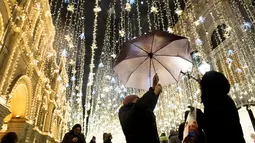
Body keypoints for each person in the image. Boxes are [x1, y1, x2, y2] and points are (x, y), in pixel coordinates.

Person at [200, 71, 245, 143]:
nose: (201, 90)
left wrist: (201, 118)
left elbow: (217, 130)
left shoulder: (217, 102)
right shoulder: (222, 100)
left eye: (202, 87)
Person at [119, 73, 162, 143]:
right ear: (132, 102)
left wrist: (154, 87)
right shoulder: (126, 113)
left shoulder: (137, 111)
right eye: (138, 99)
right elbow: (141, 106)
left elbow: (147, 108)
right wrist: (154, 93)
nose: (140, 100)